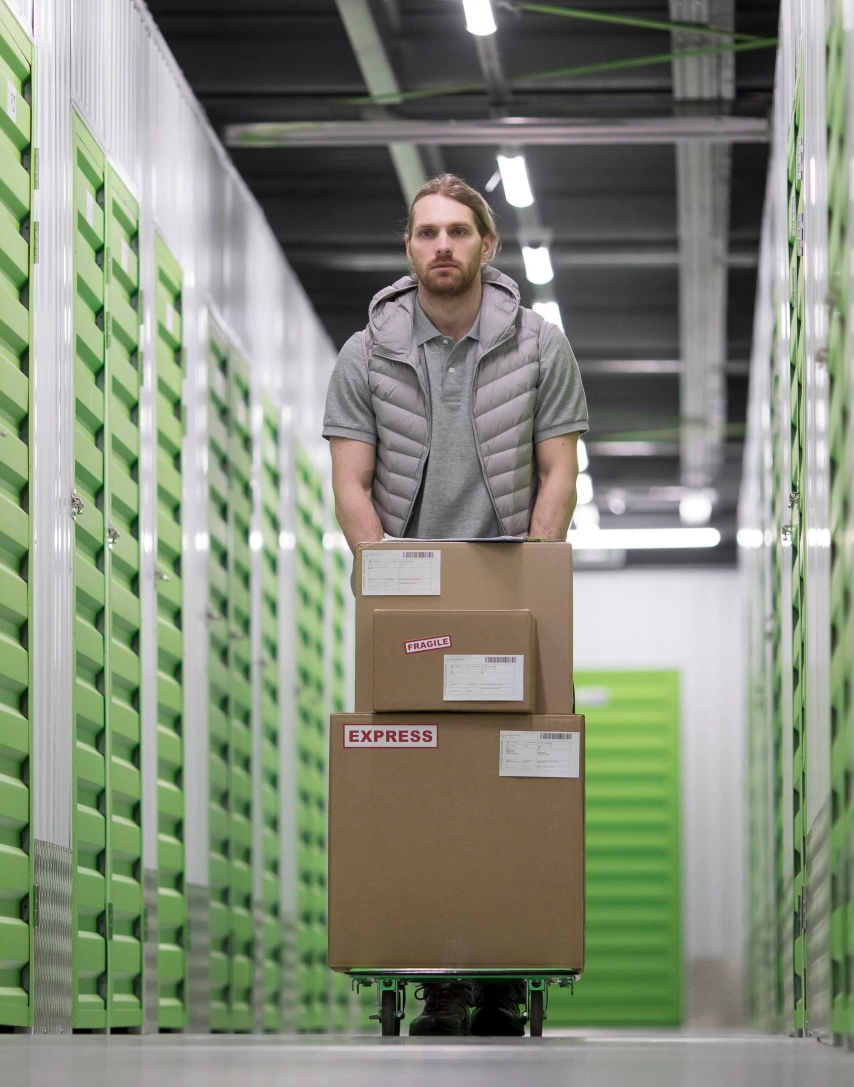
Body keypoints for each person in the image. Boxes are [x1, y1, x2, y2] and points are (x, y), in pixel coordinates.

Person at [321, 174, 589, 1036]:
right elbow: (351, 486)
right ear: (408, 247)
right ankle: (438, 973)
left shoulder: (541, 346)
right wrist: (387, 579)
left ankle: (504, 971)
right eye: (427, 232)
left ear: (487, 247)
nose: (442, 246)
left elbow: (558, 472)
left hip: (512, 577)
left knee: (519, 775)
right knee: (415, 779)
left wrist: (535, 575)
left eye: (458, 233)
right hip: (409, 593)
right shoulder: (364, 355)